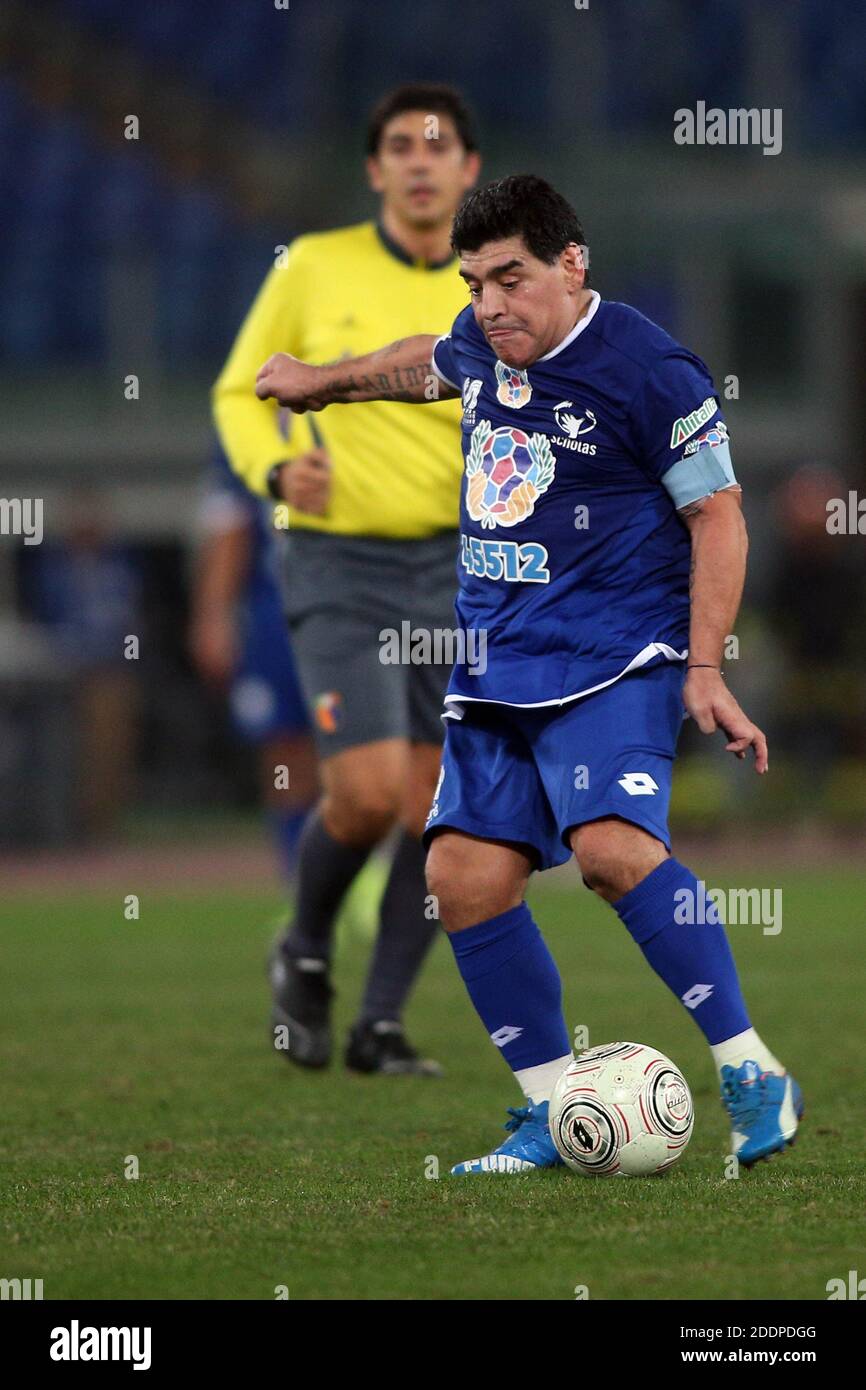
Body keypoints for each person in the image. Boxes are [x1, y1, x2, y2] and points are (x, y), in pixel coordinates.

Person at [254, 173, 803, 1168]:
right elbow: (426, 363)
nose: (490, 304)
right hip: (496, 657)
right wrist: (318, 379)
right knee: (459, 875)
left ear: (570, 263)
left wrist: (704, 665)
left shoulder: (650, 370)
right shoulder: (482, 343)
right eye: (473, 283)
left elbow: (717, 514)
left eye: (509, 277)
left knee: (608, 850)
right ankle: (554, 1111)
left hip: (612, 652)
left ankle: (752, 1071)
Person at [213, 84, 481, 1075]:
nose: (418, 161)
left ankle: (377, 1023)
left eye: (437, 145)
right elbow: (238, 391)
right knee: (365, 795)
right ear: (373, 170)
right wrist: (275, 471)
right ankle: (306, 940)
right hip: (340, 560)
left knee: (438, 809)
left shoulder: (482, 283)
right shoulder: (311, 265)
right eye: (399, 146)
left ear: (467, 171)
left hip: (460, 566)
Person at [189, 440, 318, 884]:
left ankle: (360, 881)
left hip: (350, 604)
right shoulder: (245, 420)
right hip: (274, 614)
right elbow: (231, 525)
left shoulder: (355, 400)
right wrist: (214, 615)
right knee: (285, 751)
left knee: (361, 754)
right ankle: (301, 885)